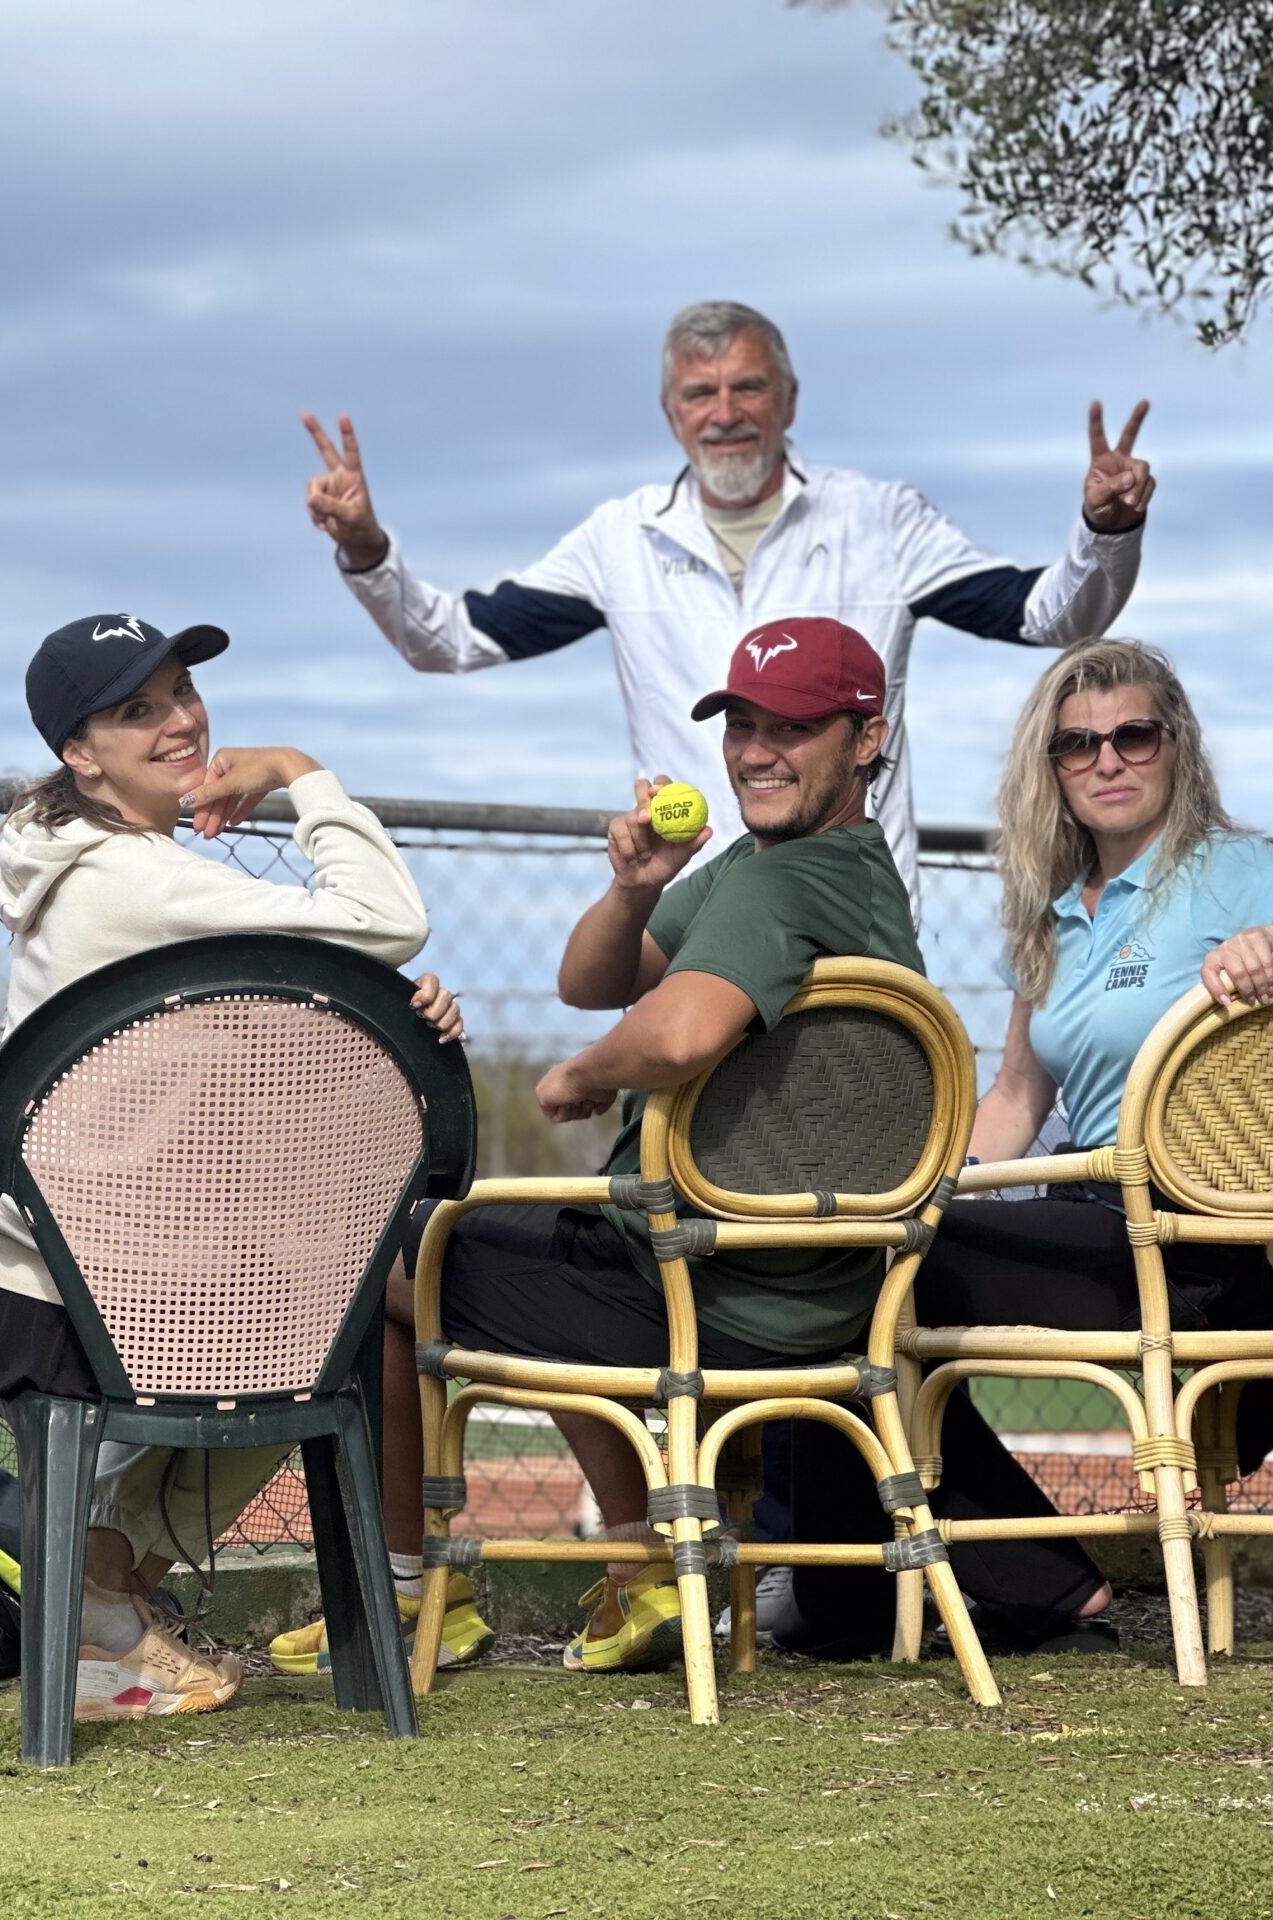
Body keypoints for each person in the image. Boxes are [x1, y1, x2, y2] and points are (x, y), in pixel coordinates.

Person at [274, 616, 1071, 1673]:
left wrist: (583, 1073)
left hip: (715, 1296)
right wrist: (637, 884)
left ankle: (414, 1588)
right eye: (742, 726)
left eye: (792, 728)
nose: (756, 752)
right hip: (808, 1291)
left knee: (373, 1260)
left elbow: (680, 1031)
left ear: (867, 740)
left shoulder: (783, 882)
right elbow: (589, 979)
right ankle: (638, 1567)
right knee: (526, 1241)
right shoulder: (816, 869)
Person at [783, 636, 1273, 1658]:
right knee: (838, 1257)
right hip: (1093, 1222)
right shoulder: (1049, 917)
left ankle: (1028, 1589)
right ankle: (862, 1601)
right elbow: (1016, 1099)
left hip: (1186, 1241)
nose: (1107, 760)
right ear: (1049, 767)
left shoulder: (1233, 872)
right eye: (1077, 744)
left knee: (840, 1284)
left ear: (1175, 746)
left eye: (1133, 736)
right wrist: (917, 1195)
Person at [0, 612, 462, 1724]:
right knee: (343, 1311)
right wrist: (301, 771)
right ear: (81, 755)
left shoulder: (86, 861)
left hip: (48, 1271)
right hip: (70, 1295)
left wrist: (396, 1016)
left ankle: (102, 1596)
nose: (180, 721)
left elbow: (245, 1073)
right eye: (138, 710)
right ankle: (106, 1588)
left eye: (180, 693)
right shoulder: (141, 879)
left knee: (325, 1292)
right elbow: (387, 917)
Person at [302, 298, 1157, 921]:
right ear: (669, 414)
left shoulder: (880, 522)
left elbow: (1052, 617)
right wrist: (368, 549)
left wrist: (1106, 531)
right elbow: (449, 641)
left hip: (852, 915)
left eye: (747, 388)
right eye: (699, 394)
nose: (723, 414)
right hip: (689, 923)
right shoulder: (620, 540)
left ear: (789, 401)